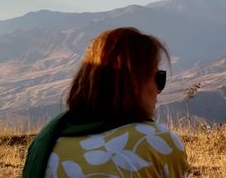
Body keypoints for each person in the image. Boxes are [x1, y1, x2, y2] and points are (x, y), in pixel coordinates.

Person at [23, 27, 189, 177]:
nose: (159, 90)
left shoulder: (45, 143)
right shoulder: (157, 142)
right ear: (135, 84)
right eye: (158, 79)